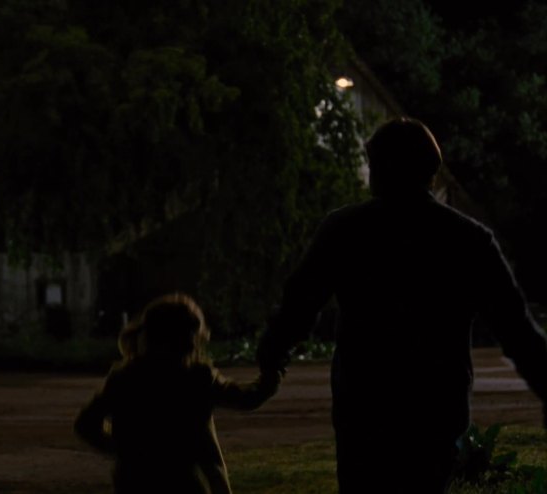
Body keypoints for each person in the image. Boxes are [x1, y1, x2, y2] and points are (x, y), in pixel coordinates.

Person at [257, 117, 547, 493]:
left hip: (364, 405)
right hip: (436, 409)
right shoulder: (468, 240)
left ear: (382, 168)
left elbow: (300, 303)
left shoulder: (344, 230)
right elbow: (516, 329)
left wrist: (272, 353)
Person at [75, 293, 280, 494]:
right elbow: (246, 399)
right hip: (186, 481)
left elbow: (86, 424)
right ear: (191, 337)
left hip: (134, 481)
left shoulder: (125, 377)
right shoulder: (197, 376)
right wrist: (270, 378)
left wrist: (123, 449)